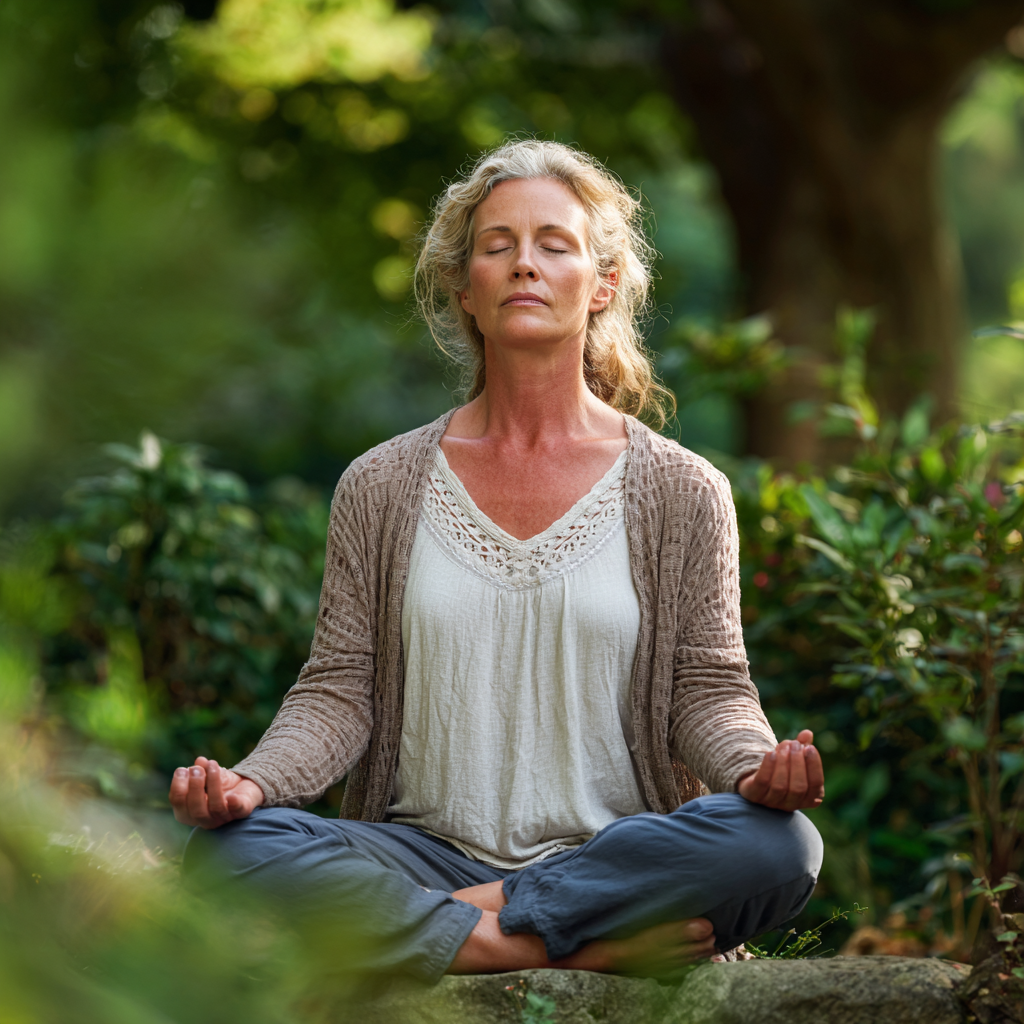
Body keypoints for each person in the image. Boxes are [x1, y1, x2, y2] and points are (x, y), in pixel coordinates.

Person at [172, 139, 824, 982]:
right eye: (498, 246)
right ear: (463, 288)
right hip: (422, 853)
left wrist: (755, 769)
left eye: (554, 245)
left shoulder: (683, 489)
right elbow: (339, 690)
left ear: (602, 284)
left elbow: (709, 689)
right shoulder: (381, 484)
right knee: (228, 851)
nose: (525, 265)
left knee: (780, 845)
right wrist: (251, 785)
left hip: (611, 855)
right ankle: (560, 948)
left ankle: (435, 929)